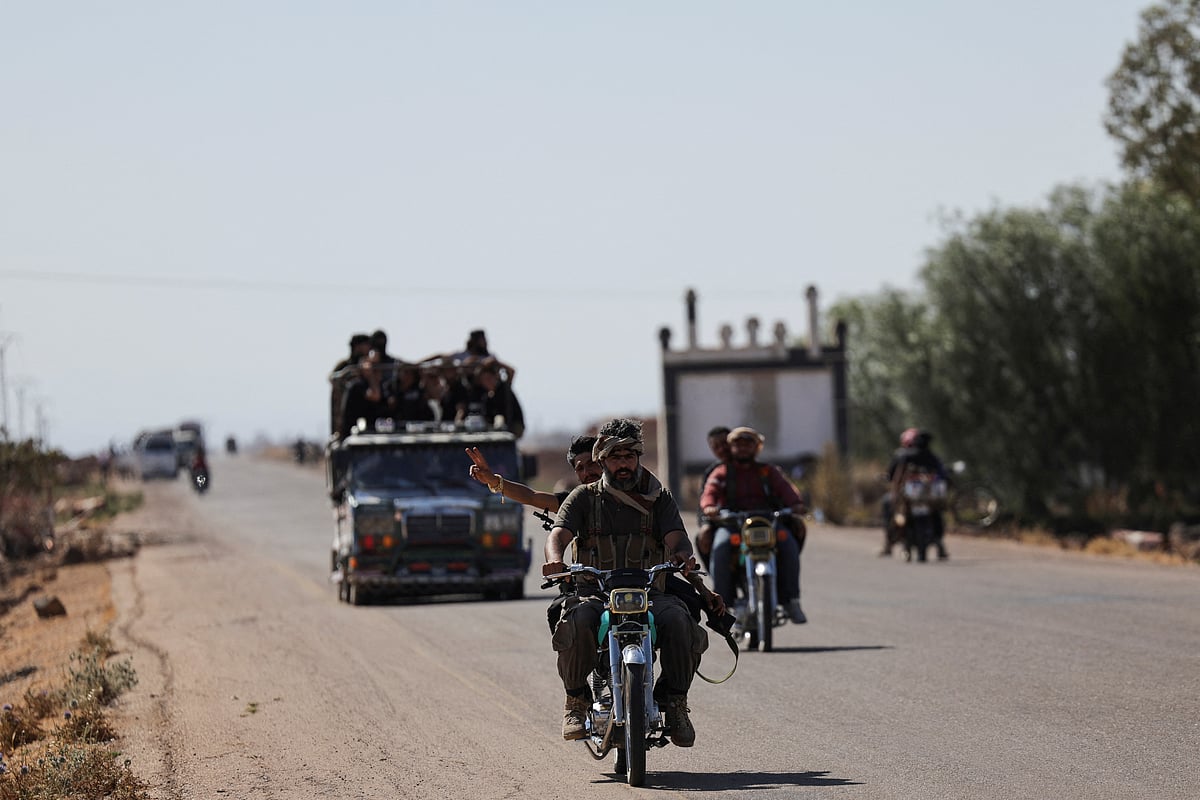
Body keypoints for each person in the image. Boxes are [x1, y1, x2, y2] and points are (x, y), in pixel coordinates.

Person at [544, 418, 715, 747]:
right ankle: (576, 703)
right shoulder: (583, 498)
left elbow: (678, 537)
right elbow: (559, 534)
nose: (623, 464)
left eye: (629, 456)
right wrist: (555, 559)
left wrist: (682, 554)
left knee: (681, 622)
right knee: (577, 621)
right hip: (595, 592)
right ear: (602, 459)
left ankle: (676, 703)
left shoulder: (658, 497)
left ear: (638, 457)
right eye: (615, 457)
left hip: (650, 592)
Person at [700, 426, 808, 624]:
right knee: (720, 547)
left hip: (767, 523)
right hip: (733, 524)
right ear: (731, 447)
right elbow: (710, 492)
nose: (742, 448)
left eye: (748, 444)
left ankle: (791, 600)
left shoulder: (768, 471)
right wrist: (709, 507)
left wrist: (796, 504)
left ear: (757, 448)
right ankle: (726, 604)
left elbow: (787, 490)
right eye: (738, 444)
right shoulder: (721, 472)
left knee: (788, 543)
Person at [883, 428, 950, 560]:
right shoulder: (932, 457)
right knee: (936, 514)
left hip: (910, 498)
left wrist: (895, 491)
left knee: (889, 507)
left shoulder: (904, 455)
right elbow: (943, 476)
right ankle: (939, 544)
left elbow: (895, 476)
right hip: (927, 498)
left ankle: (889, 544)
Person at [694, 425, 731, 569]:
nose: (722, 449)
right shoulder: (713, 472)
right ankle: (721, 587)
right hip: (726, 522)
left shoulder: (758, 467)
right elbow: (704, 501)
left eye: (724, 443)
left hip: (756, 520)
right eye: (716, 446)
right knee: (704, 539)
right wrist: (706, 524)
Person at [464, 358, 525, 438]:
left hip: (513, 425)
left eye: (489, 378)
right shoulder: (486, 397)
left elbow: (511, 371)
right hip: (493, 430)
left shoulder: (504, 387)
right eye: (484, 379)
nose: (487, 381)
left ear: (495, 377)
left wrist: (496, 362)